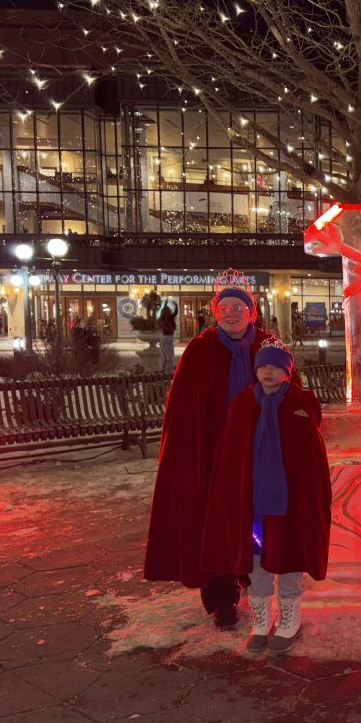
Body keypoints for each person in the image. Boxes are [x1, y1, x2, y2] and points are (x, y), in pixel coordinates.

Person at [144, 268, 301, 629]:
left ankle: (253, 581)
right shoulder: (200, 350)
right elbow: (183, 411)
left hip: (259, 454)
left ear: (251, 311)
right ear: (215, 312)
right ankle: (221, 597)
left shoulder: (269, 346)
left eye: (238, 307)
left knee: (255, 522)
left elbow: (292, 391)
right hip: (212, 457)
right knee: (213, 524)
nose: (231, 313)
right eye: (224, 308)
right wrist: (186, 459)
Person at [201, 336, 331, 652]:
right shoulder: (244, 405)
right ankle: (262, 618)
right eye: (263, 366)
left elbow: (311, 460)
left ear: (287, 372)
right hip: (253, 505)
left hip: (288, 504)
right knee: (256, 559)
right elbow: (230, 455)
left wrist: (308, 497)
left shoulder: (300, 405)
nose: (268, 372)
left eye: (276, 366)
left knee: (289, 556)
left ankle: (290, 618)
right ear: (256, 370)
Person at [159, 302, 177, 374]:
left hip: (163, 338)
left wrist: (165, 303)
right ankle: (168, 371)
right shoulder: (170, 318)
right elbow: (176, 312)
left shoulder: (161, 318)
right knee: (170, 356)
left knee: (164, 355)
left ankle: (163, 369)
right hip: (168, 338)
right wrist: (175, 304)